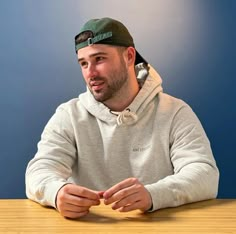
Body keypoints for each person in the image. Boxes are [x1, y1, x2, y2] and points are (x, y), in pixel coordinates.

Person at [25, 17, 219, 219]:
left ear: (129, 56)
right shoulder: (69, 115)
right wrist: (56, 193)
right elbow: (39, 171)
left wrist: (154, 195)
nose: (90, 73)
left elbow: (205, 175)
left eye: (99, 59)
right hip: (91, 228)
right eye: (83, 63)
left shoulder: (175, 112)